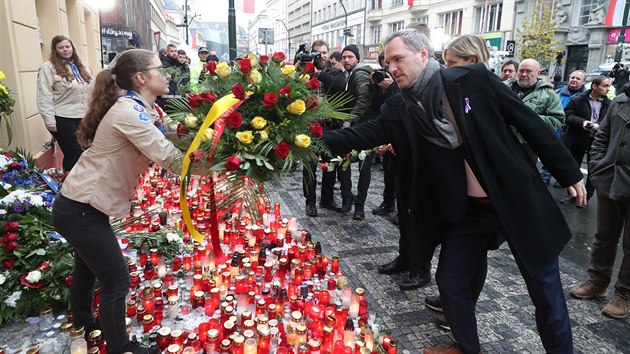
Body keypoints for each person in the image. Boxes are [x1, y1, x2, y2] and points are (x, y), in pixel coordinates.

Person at [324, 29, 586, 354]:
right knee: (449, 282)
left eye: (398, 59)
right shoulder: (400, 108)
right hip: (470, 212)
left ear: (423, 54)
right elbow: (358, 136)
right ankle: (466, 347)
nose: (391, 67)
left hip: (515, 199)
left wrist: (569, 170)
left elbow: (528, 121)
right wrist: (302, 144)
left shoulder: (472, 80)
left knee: (545, 294)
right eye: (387, 61)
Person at [52, 49, 182, 354]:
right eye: (160, 69)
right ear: (141, 78)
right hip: (80, 208)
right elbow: (168, 156)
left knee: (88, 268)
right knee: (115, 280)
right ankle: (121, 347)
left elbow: (168, 133)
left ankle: (86, 323)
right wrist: (224, 162)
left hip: (80, 205)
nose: (167, 75)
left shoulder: (144, 107)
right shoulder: (128, 112)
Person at [569, 83, 630, 319]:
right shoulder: (621, 100)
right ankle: (598, 281)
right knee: (604, 236)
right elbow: (602, 135)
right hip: (610, 179)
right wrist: (596, 166)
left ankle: (624, 293)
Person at [301, 39, 347, 217]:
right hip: (309, 127)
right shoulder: (304, 73)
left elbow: (339, 86)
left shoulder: (335, 72)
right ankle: (310, 201)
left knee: (330, 165)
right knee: (310, 167)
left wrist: (319, 73)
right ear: (312, 54)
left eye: (325, 52)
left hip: (330, 126)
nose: (322, 55)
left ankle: (327, 199)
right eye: (318, 52)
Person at [37, 34, 92, 171]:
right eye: (61, 47)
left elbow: (91, 89)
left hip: (83, 116)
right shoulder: (48, 68)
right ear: (55, 50)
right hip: (62, 117)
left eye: (68, 46)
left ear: (72, 47)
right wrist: (49, 119)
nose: (65, 50)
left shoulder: (81, 66)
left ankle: (85, 183)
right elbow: (44, 95)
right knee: (74, 153)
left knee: (87, 151)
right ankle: (70, 186)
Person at [505, 58, 565, 184]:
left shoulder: (548, 94)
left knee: (523, 179)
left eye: (528, 71)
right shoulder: (503, 87)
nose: (524, 74)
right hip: (502, 141)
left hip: (528, 145)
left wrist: (528, 119)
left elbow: (558, 120)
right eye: (521, 71)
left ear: (538, 74)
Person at [340, 44, 378, 220]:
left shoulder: (360, 73)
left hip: (363, 128)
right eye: (344, 57)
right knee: (345, 161)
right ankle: (349, 200)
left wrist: (350, 119)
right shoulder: (352, 74)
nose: (346, 60)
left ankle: (358, 205)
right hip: (360, 127)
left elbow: (364, 97)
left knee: (364, 167)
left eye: (350, 57)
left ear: (357, 59)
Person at [559, 76, 611, 204]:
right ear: (594, 86)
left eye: (608, 86)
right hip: (578, 138)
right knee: (574, 167)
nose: (608, 89)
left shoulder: (610, 104)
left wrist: (599, 125)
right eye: (605, 86)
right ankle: (572, 194)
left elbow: (610, 120)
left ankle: (586, 196)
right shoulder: (578, 100)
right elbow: (567, 116)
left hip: (598, 141)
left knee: (594, 168)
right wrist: (582, 122)